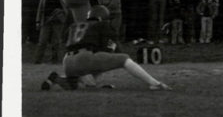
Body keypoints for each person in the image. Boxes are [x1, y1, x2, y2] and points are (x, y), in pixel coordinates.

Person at [41, 5, 171, 91]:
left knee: (84, 86)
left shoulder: (76, 25)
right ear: (102, 17)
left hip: (67, 61)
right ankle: (154, 83)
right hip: (84, 58)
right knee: (124, 59)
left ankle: (59, 78)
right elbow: (110, 50)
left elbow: (65, 40)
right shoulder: (103, 24)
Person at [34, 0, 66, 64]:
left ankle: (55, 60)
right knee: (42, 41)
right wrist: (38, 21)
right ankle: (38, 60)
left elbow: (66, 8)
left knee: (56, 42)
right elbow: (40, 8)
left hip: (58, 21)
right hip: (46, 20)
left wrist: (61, 13)